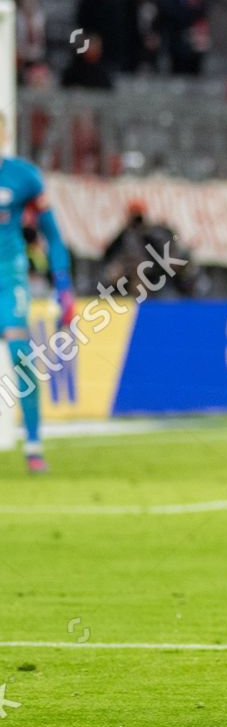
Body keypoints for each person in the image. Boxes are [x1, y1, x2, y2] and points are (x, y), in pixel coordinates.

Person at [0, 116, 74, 473]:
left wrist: (64, 287)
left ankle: (33, 443)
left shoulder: (24, 177)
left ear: (5, 134)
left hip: (8, 277)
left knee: (20, 354)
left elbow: (54, 236)